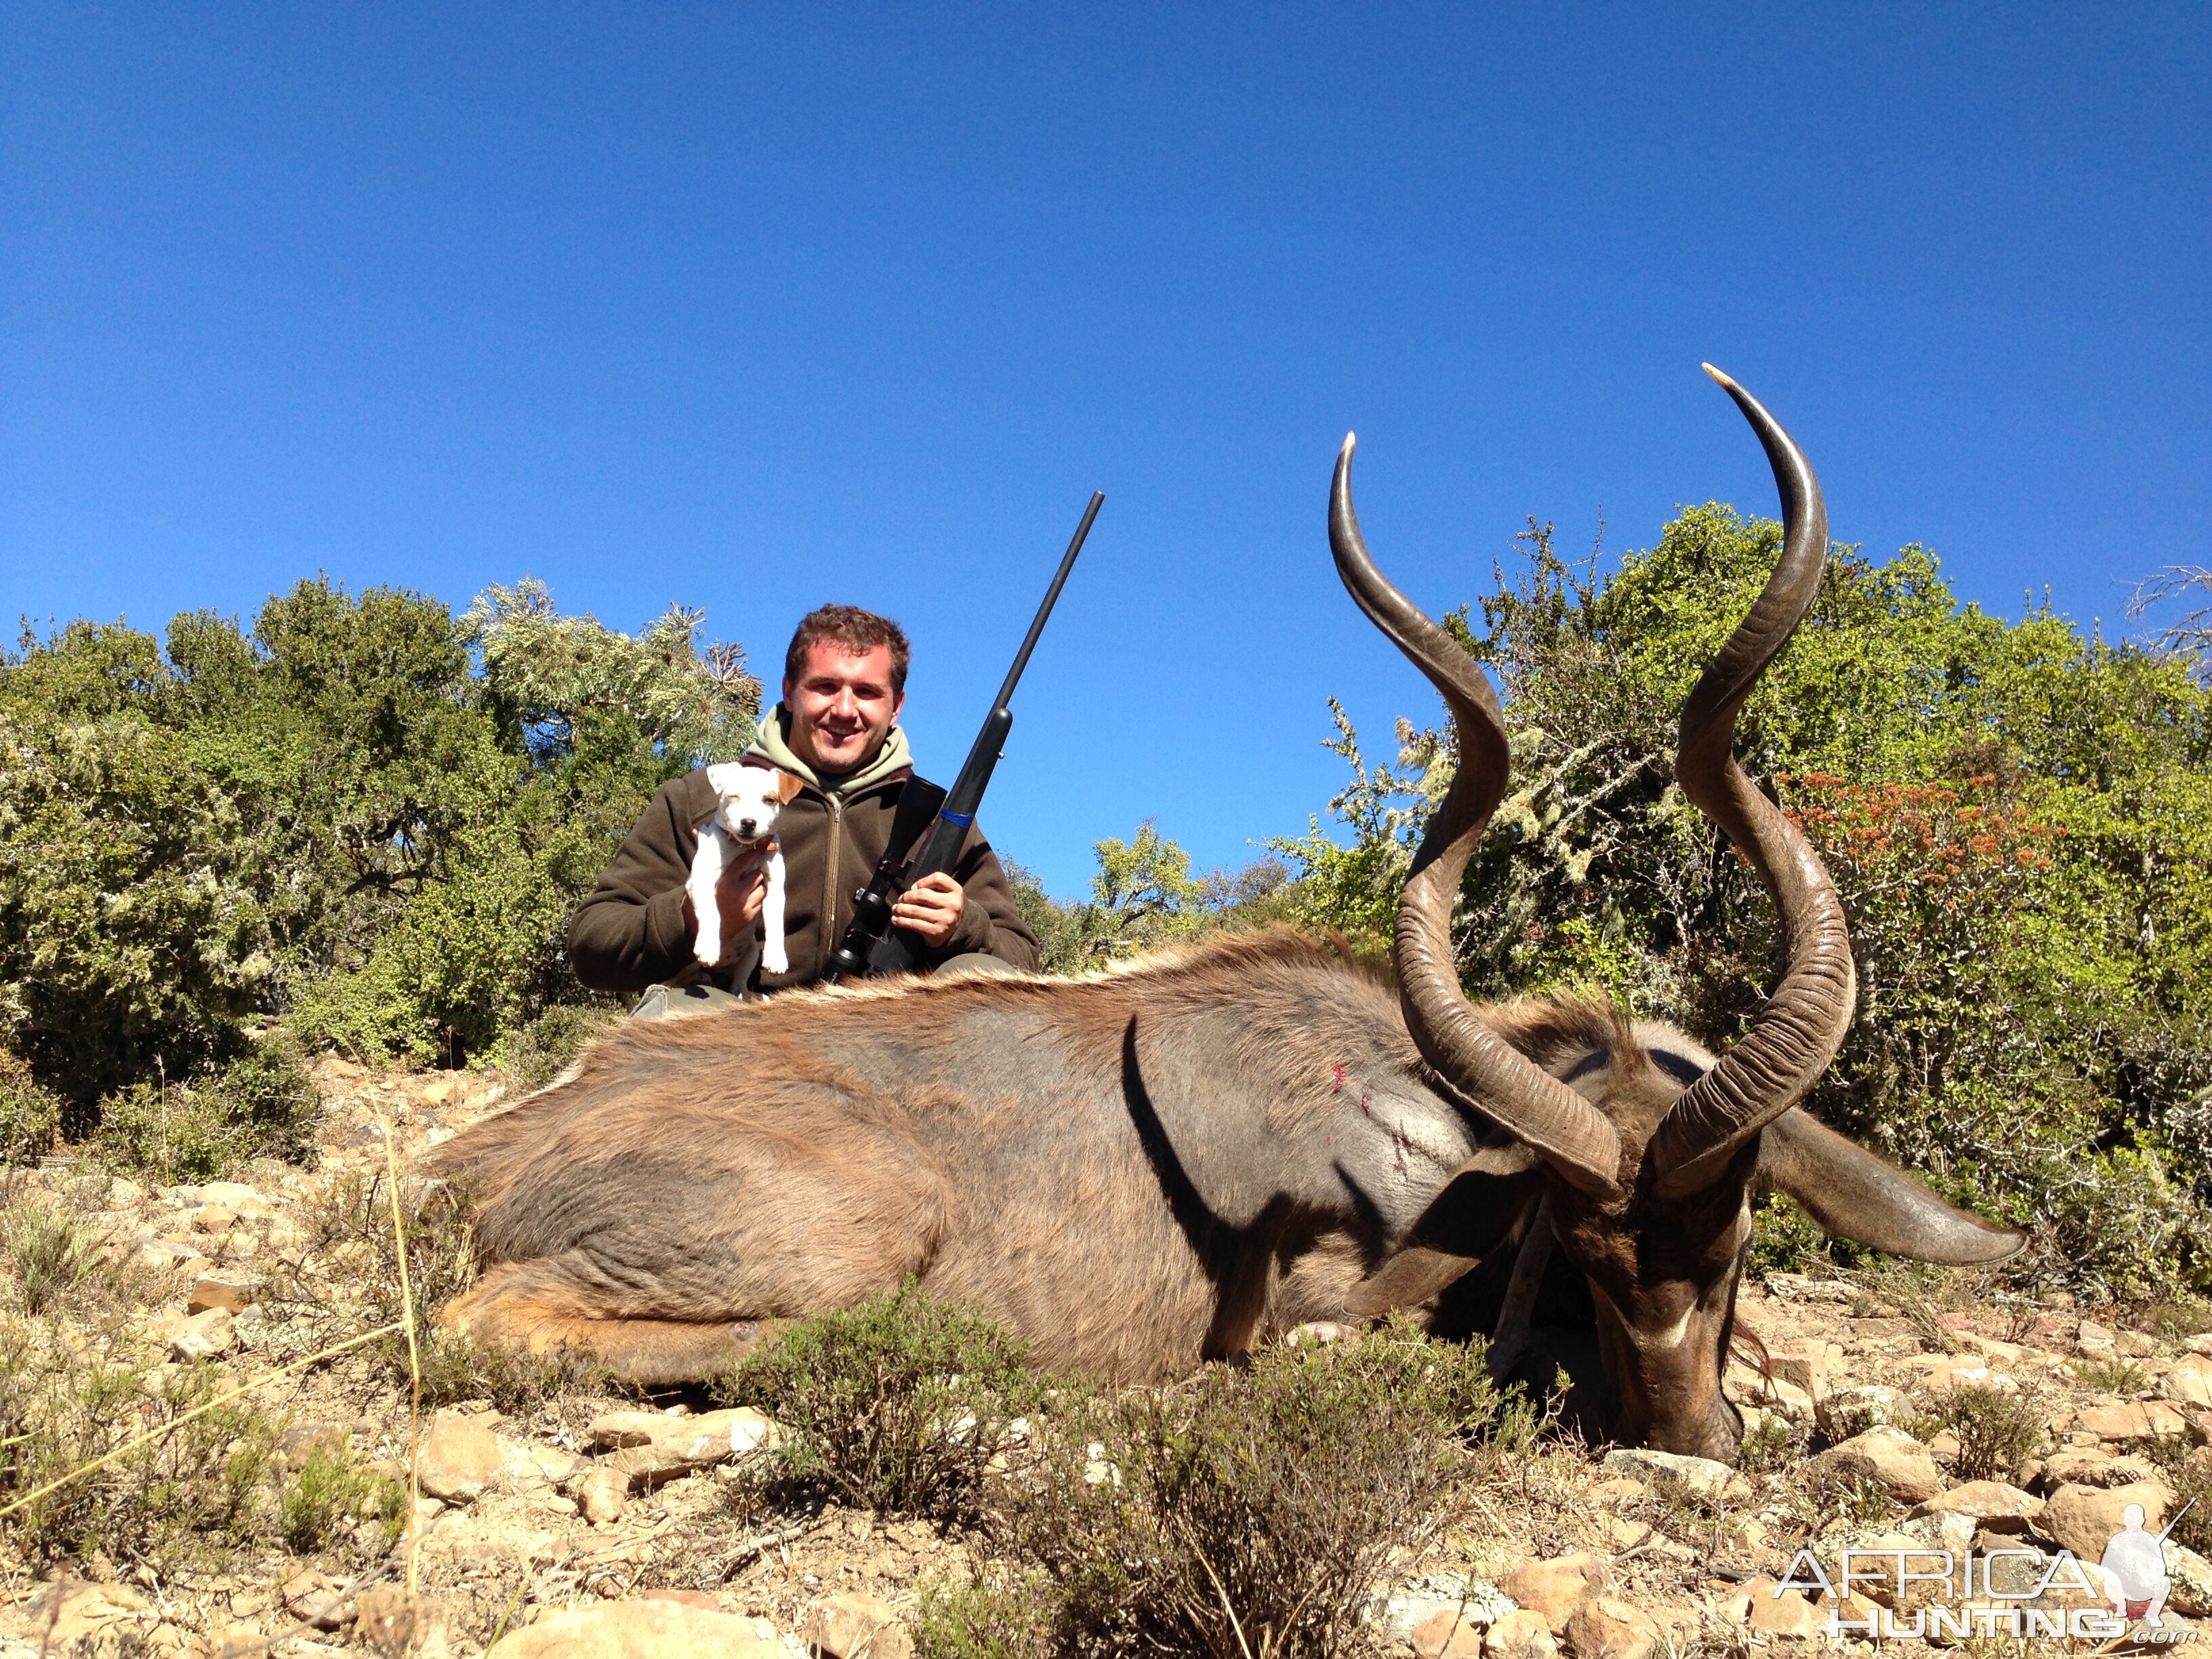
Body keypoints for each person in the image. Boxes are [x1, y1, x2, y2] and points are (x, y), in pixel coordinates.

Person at [569, 604, 1040, 1015]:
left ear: (896, 706)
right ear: (790, 691)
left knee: (982, 984)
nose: (844, 709)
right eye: (825, 687)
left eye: (867, 693)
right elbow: (593, 945)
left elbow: (1021, 959)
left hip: (890, 1047)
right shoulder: (697, 798)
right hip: (733, 1045)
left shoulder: (939, 822)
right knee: (668, 1022)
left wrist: (962, 926)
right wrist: (694, 916)